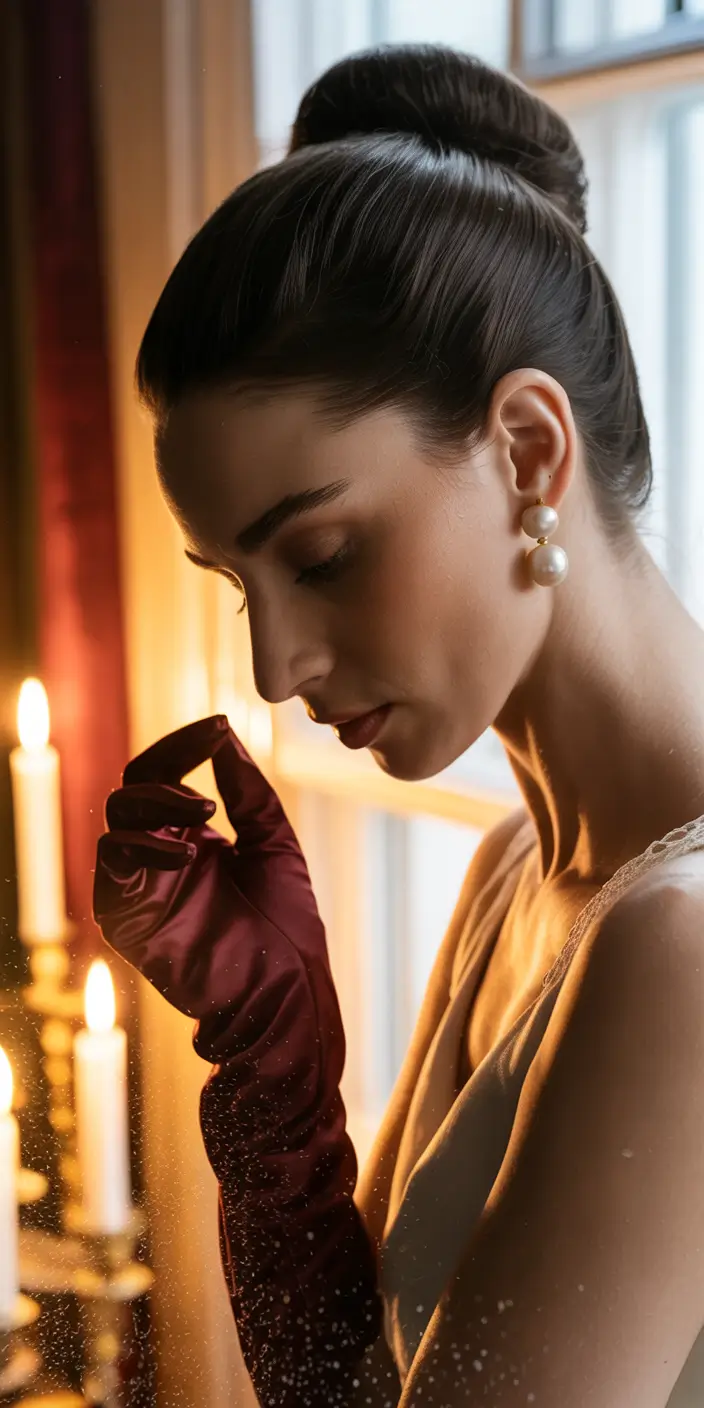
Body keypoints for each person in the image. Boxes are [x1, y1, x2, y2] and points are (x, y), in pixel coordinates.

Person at [93, 45, 704, 1407]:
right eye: (237, 584)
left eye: (320, 554)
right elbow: (355, 1389)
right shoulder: (515, 870)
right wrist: (274, 1073)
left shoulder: (683, 945)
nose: (274, 667)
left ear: (530, 451)